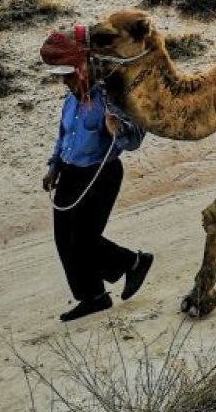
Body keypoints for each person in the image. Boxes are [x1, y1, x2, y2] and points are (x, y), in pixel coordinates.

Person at [43, 70, 152, 322]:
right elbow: (63, 137)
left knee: (83, 238)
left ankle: (134, 263)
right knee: (64, 238)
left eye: (68, 76)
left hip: (101, 174)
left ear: (83, 73)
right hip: (70, 173)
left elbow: (133, 140)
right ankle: (93, 297)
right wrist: (54, 167)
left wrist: (119, 128)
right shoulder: (71, 100)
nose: (64, 82)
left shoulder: (111, 99)